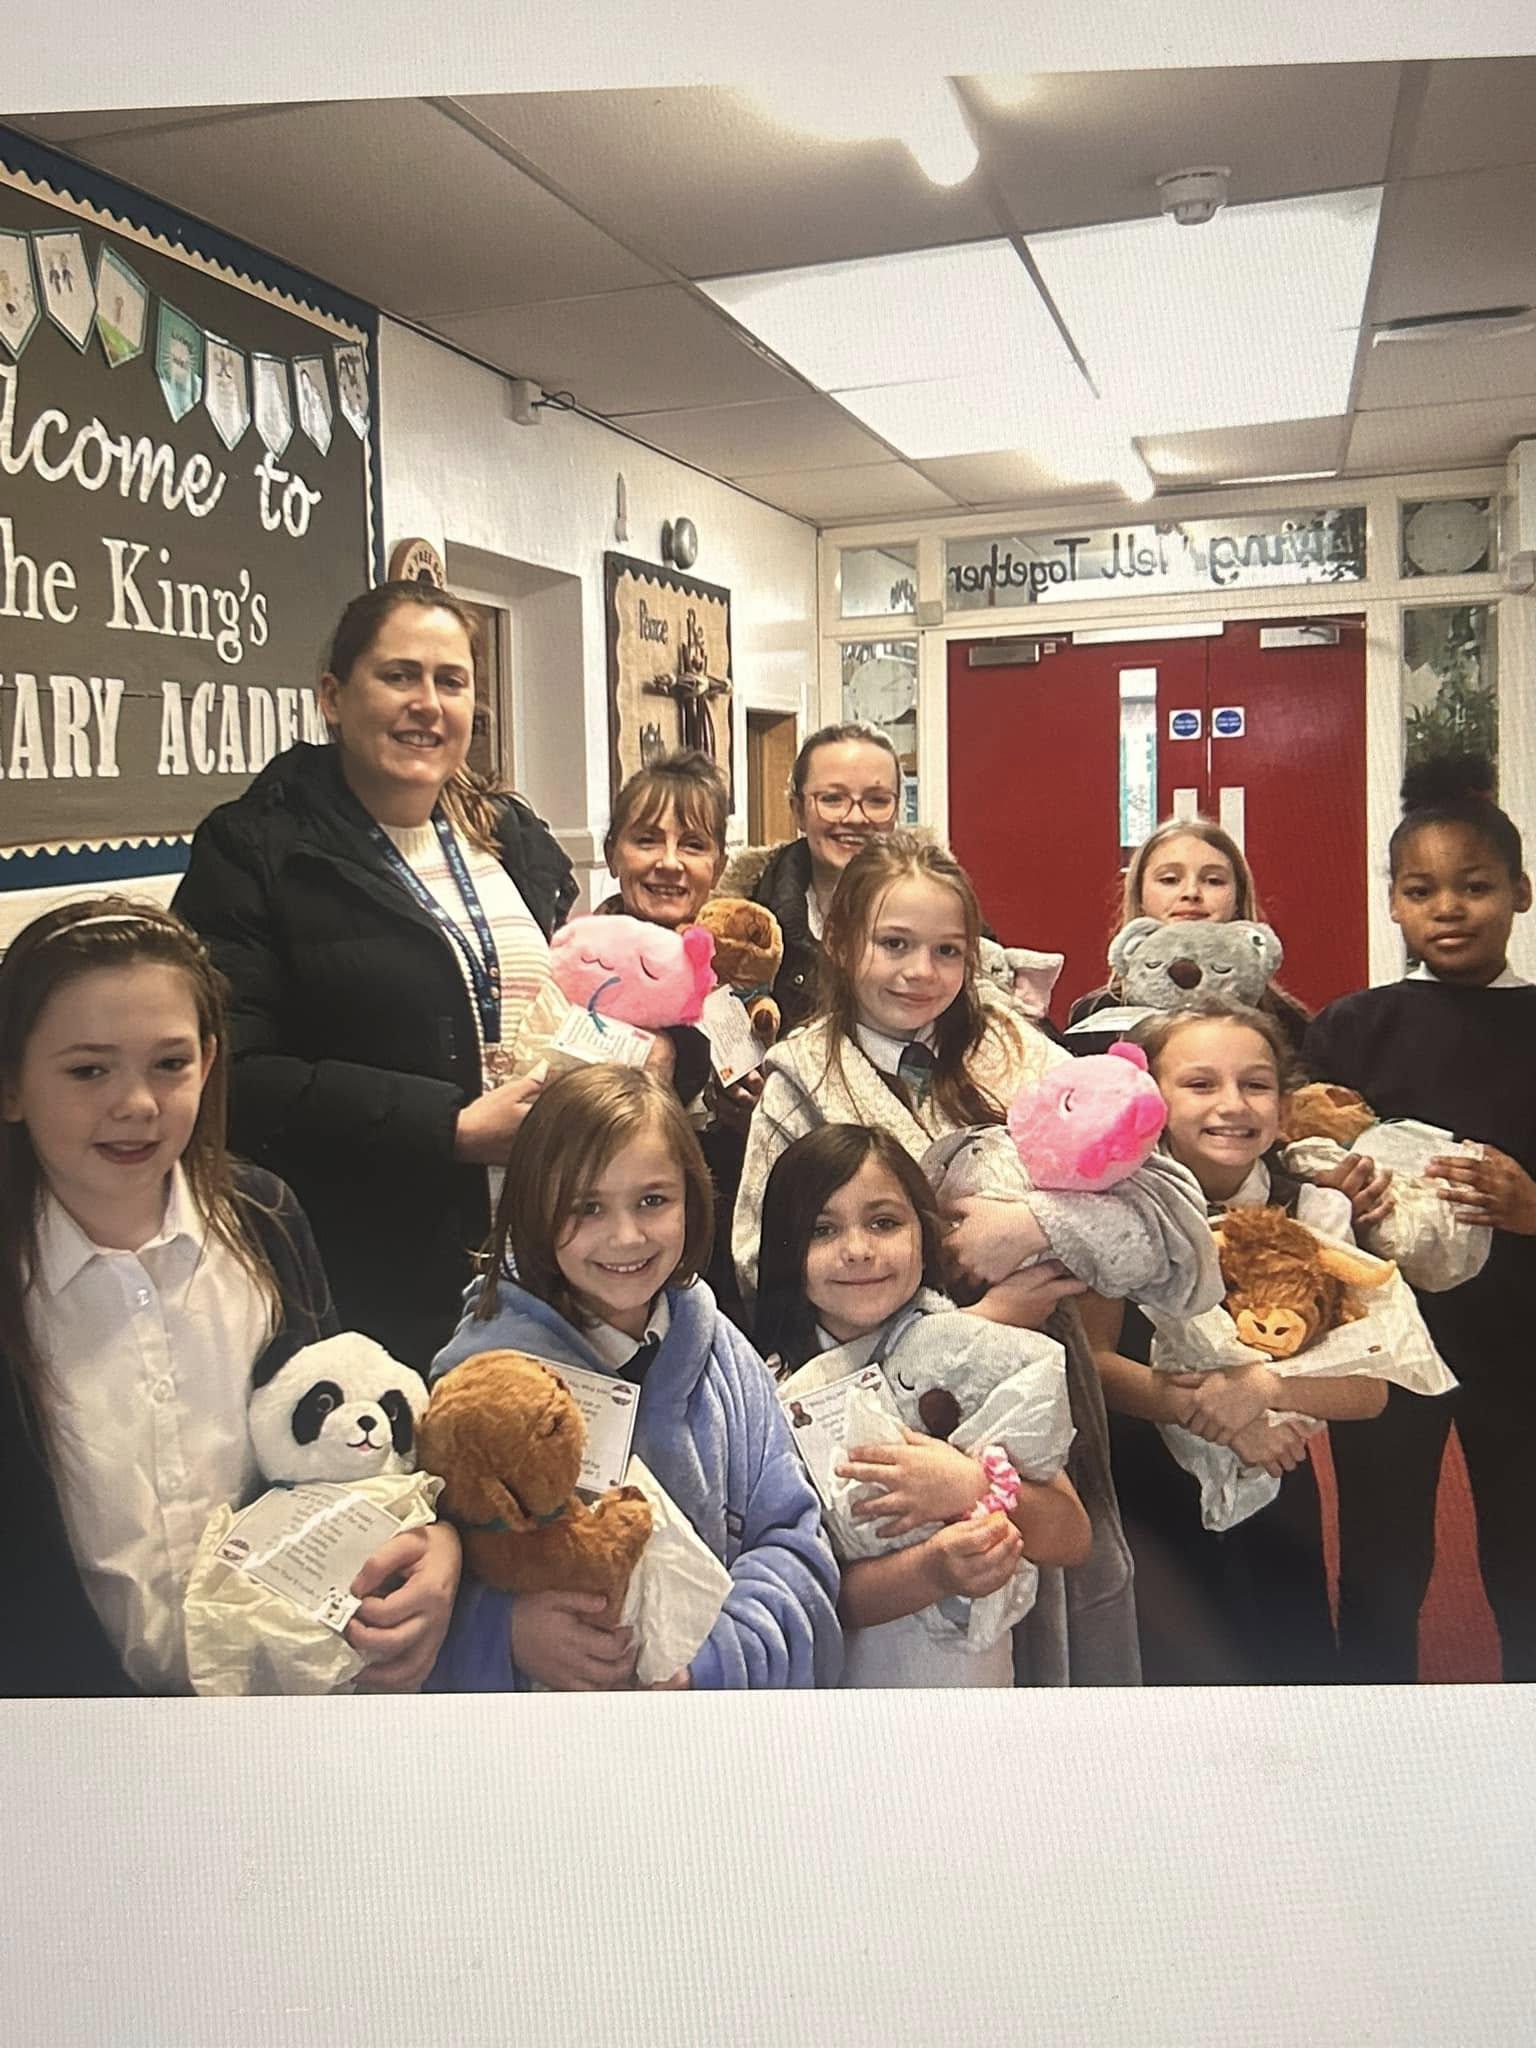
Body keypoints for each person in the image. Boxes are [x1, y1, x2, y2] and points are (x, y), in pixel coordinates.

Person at [0, 898, 460, 1698]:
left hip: (278, 1708)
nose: (136, 1104)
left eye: (169, 1064)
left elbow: (344, 1450)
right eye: (88, 1070)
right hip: (57, 1734)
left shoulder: (266, 1223)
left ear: (210, 1061)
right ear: (11, 1083)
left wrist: (436, 1549)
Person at [174, 580, 579, 1375]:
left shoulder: (507, 838)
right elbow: (233, 1078)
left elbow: (570, 995)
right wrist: (449, 1129)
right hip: (379, 1272)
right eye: (399, 675)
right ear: (333, 695)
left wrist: (663, 1053)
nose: (427, 704)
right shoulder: (256, 851)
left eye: (450, 681)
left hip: (545, 1246)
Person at [427, 1065, 842, 1691]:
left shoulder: (723, 1352)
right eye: (586, 1207)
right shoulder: (478, 1384)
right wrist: (508, 1633)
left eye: (653, 1200)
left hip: (710, 1734)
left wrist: (715, 1663)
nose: (625, 1236)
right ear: (532, 1207)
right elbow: (428, 1579)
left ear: (692, 1197)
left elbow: (794, 1541)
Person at [1303, 753, 1536, 1681]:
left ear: (1519, 892)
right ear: (1394, 903)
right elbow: (1308, 1157)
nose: (1449, 908)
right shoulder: (1355, 1025)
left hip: (1522, 1341)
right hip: (1390, 1339)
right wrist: (1341, 1197)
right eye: (1422, 889)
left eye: (1475, 887)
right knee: (1383, 1557)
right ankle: (1374, 1738)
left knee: (1524, 1554)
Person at [1077, 1003, 1389, 1684]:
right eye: (1199, 1084)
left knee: (1283, 1661)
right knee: (1169, 1679)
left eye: (1255, 1084)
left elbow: (1372, 1387)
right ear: (1149, 1097)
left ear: (1283, 1104)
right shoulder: (1113, 1204)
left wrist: (1264, 1392)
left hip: (1274, 1482)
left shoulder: (1315, 1209)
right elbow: (1095, 1365)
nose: (1232, 1105)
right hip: (1144, 1485)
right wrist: (1213, 1415)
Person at [755, 1125, 1090, 1687]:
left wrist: (973, 1485)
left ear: (923, 1232)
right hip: (837, 1702)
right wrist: (933, 1568)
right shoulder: (764, 1394)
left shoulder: (973, 1355)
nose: (859, 1249)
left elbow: (1072, 1536)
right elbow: (802, 1599)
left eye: (884, 1222)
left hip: (973, 1695)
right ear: (785, 1249)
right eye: (822, 1229)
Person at [600, 748, 763, 1320]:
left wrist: (745, 1115)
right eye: (646, 840)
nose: (669, 863)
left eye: (692, 845)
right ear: (611, 853)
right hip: (608, 1254)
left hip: (710, 1258)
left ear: (717, 866)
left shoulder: (734, 975)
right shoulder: (581, 971)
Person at [718, 721, 902, 1034]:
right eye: (832, 799)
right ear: (798, 810)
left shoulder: (943, 912)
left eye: (877, 800)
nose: (855, 818)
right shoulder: (740, 920)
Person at [1068, 817, 1312, 1051]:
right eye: (1170, 879)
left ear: (1238, 899)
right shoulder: (1094, 1015)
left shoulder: (1285, 1021)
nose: (1191, 892)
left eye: (1214, 881)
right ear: (1140, 896)